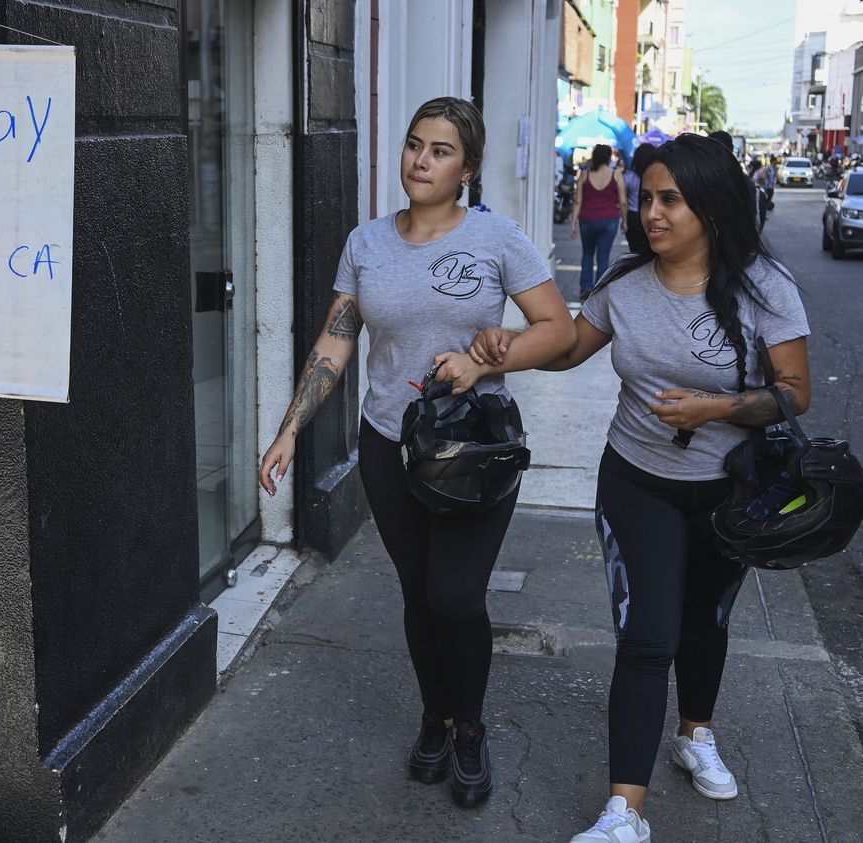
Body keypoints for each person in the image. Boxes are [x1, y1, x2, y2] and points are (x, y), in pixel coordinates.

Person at [468, 133, 811, 842]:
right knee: (647, 635)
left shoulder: (764, 287)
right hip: (637, 482)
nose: (651, 213)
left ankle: (696, 732)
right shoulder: (625, 284)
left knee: (703, 621)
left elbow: (795, 392)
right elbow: (568, 347)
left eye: (669, 200)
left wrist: (714, 408)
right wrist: (510, 347)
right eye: (645, 198)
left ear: (710, 208)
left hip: (729, 492)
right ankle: (627, 809)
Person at [258, 97, 575, 811]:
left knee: (454, 596)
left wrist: (489, 357)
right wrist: (290, 428)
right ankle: (435, 715)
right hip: (389, 444)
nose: (420, 160)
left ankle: (470, 726)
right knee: (416, 593)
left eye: (439, 150)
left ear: (466, 168)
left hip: (474, 446)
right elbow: (337, 340)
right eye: (413, 145)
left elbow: (556, 329)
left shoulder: (497, 240)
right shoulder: (366, 242)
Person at [572, 144, 628, 300]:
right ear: (609, 157)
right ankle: (599, 290)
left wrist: (573, 223)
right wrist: (625, 221)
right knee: (603, 257)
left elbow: (578, 200)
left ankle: (585, 287)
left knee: (587, 253)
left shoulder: (584, 175)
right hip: (609, 221)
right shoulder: (616, 174)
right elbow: (623, 201)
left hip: (587, 220)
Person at [624, 143, 656, 252]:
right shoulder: (656, 177)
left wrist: (624, 220)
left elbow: (625, 198)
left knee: (634, 250)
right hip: (651, 214)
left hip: (632, 215)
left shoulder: (629, 177)